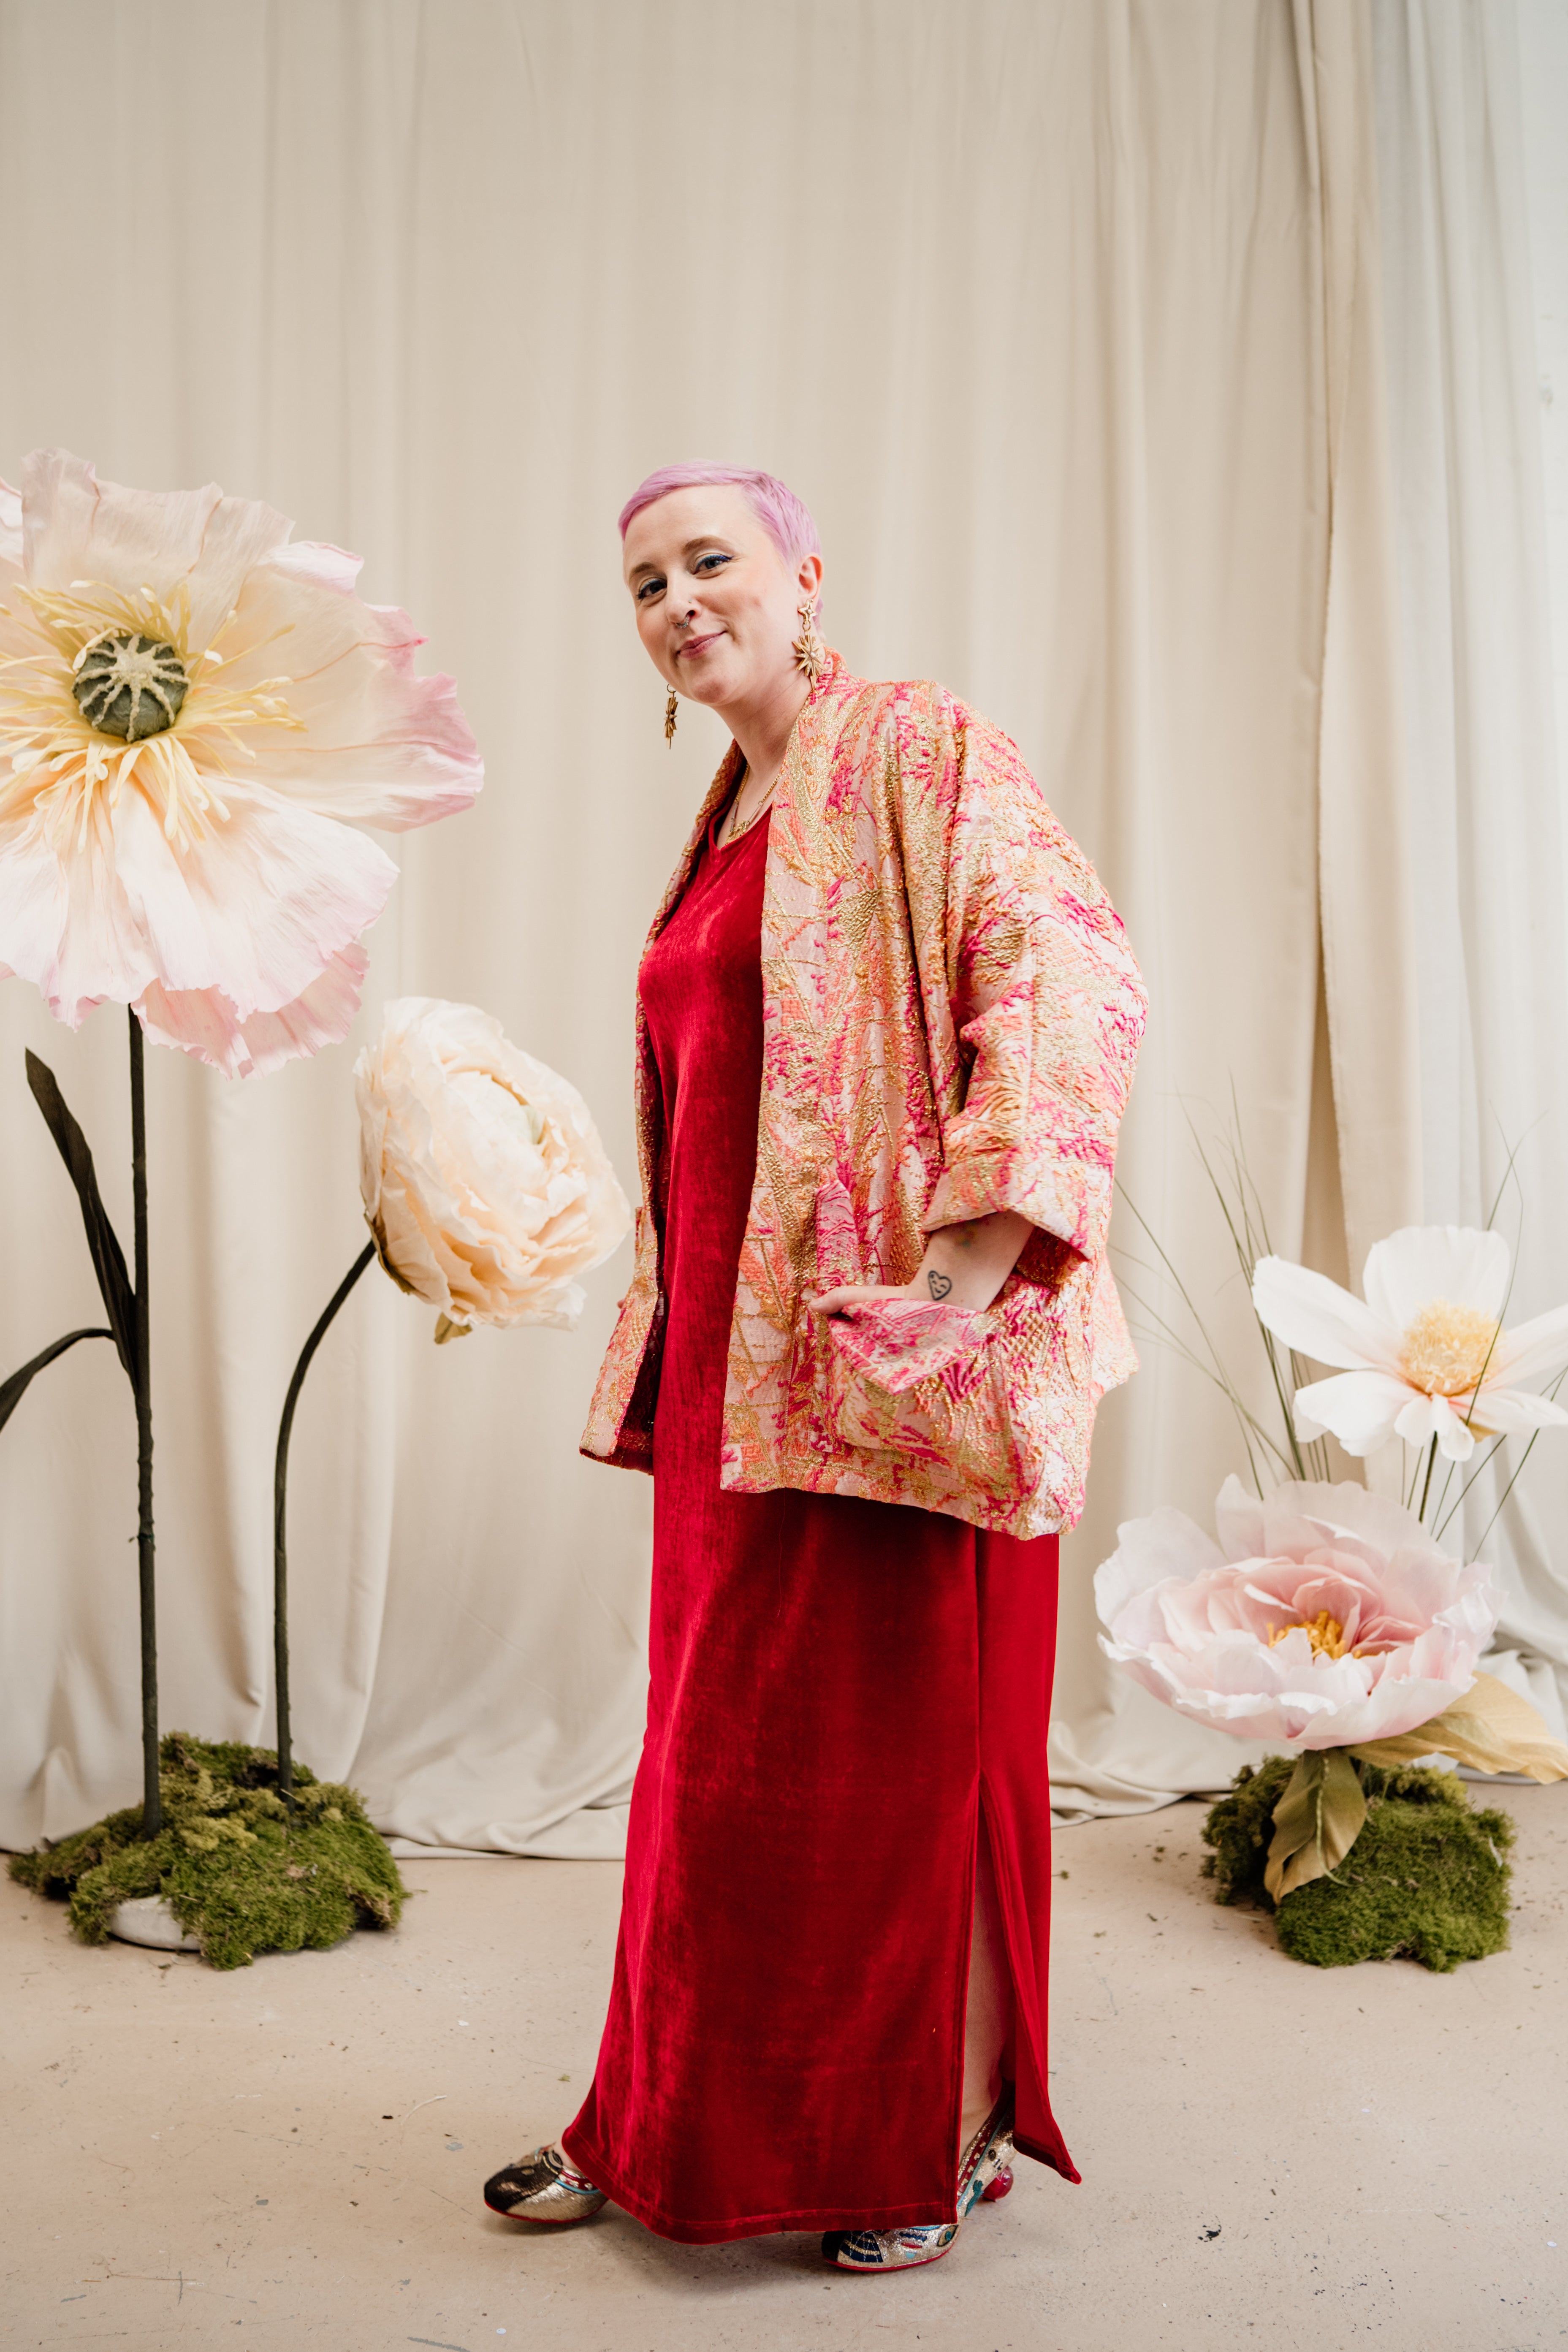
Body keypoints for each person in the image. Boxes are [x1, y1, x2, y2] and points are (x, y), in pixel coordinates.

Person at [483, 463, 1145, 2271]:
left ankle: (927, 2144)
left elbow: (1068, 970)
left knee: (900, 1772)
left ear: (802, 577)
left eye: (709, 560)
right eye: (644, 581)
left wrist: (968, 1265)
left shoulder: (913, 745)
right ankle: (653, 2122)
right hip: (735, 1375)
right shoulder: (727, 814)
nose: (677, 600)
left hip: (901, 1362)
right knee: (723, 1772)